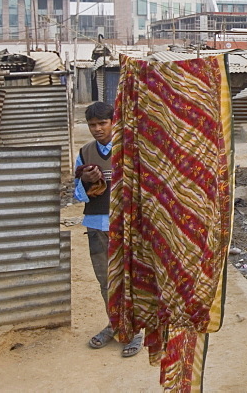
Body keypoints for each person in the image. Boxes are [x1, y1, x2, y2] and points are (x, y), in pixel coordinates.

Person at [74, 101, 143, 357]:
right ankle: (114, 324)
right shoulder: (84, 152)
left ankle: (134, 331)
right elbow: (78, 195)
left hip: (127, 226)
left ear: (114, 122)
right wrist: (86, 179)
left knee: (129, 280)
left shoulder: (130, 149)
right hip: (96, 225)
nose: (97, 129)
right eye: (92, 125)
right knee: (105, 280)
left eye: (102, 123)